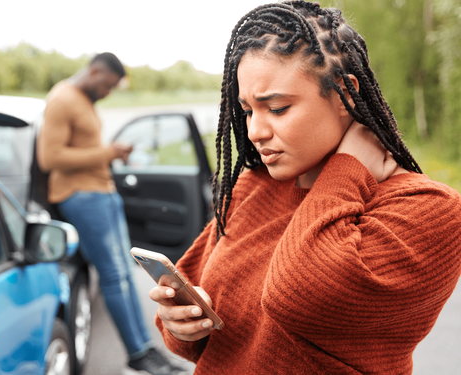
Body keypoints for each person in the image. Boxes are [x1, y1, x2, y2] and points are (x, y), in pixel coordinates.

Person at [149, 2, 461, 374]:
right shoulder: (252, 187)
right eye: (248, 110)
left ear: (345, 93)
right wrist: (182, 326)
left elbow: (298, 297)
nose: (255, 132)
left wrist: (349, 168)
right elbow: (207, 340)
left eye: (277, 108)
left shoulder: (430, 209)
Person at [37, 52, 185, 375]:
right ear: (94, 71)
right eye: (106, 85)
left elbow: (80, 149)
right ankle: (138, 356)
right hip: (82, 198)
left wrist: (112, 157)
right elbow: (50, 157)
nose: (107, 93)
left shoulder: (82, 100)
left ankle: (147, 349)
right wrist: (109, 152)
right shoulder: (63, 99)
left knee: (126, 276)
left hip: (102, 194)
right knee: (115, 277)